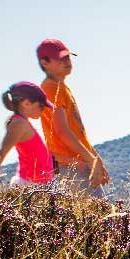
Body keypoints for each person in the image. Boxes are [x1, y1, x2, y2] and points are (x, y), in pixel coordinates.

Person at [37, 38, 109, 195]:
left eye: (67, 57)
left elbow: (77, 131)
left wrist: (96, 159)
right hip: (72, 167)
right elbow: (62, 131)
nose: (66, 61)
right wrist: (91, 160)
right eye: (60, 58)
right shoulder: (50, 88)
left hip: (79, 164)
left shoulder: (61, 88)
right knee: (94, 216)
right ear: (45, 62)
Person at [0, 82, 56, 190]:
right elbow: (2, 150)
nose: (43, 109)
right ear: (26, 103)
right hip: (30, 185)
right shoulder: (19, 123)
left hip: (38, 185)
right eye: (41, 106)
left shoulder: (23, 122)